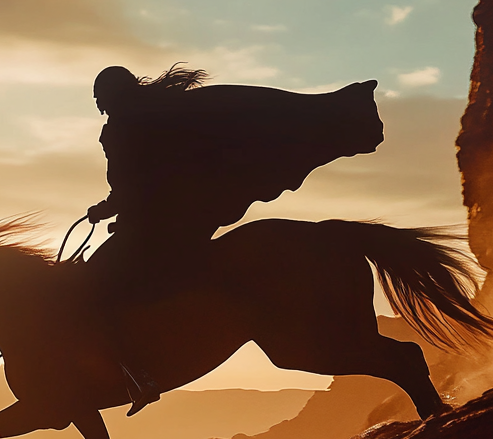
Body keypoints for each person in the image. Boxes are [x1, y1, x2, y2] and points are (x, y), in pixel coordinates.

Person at [84, 62, 384, 412]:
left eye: (100, 99)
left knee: (95, 290)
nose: (100, 105)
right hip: (185, 222)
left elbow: (133, 183)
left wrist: (108, 208)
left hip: (158, 228)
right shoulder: (161, 115)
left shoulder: (124, 128)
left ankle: (136, 373)